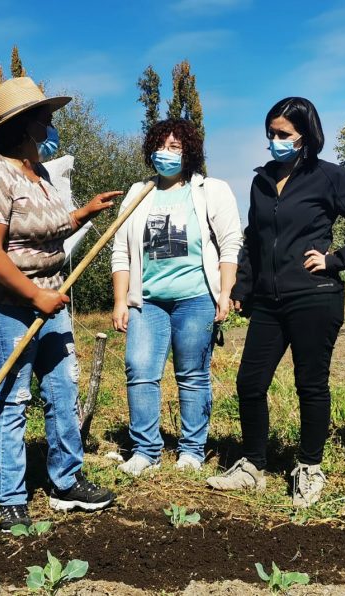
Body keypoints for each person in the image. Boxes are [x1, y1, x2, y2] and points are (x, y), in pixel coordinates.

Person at [206, 98, 345, 507]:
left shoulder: (328, 177)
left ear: (305, 136)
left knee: (310, 384)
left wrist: (336, 259)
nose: (275, 141)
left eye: (283, 134)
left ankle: (309, 467)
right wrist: (242, 289)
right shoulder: (261, 180)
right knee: (250, 382)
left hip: (313, 297)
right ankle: (252, 465)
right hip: (267, 302)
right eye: (271, 133)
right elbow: (253, 239)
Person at [0, 77, 121, 532]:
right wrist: (34, 295)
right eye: (45, 118)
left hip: (49, 299)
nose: (52, 126)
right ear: (23, 125)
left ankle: (66, 482)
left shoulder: (42, 173)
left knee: (61, 389)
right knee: (12, 398)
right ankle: (10, 496)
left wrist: (82, 214)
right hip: (3, 304)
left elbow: (45, 230)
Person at [111, 118, 242, 475]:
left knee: (193, 374)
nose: (165, 154)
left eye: (175, 148)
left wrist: (225, 293)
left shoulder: (211, 190)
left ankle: (192, 451)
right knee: (139, 369)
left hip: (196, 298)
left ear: (190, 153)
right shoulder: (138, 193)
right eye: (160, 146)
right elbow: (120, 251)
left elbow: (231, 243)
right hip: (147, 301)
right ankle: (145, 451)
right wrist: (120, 300)